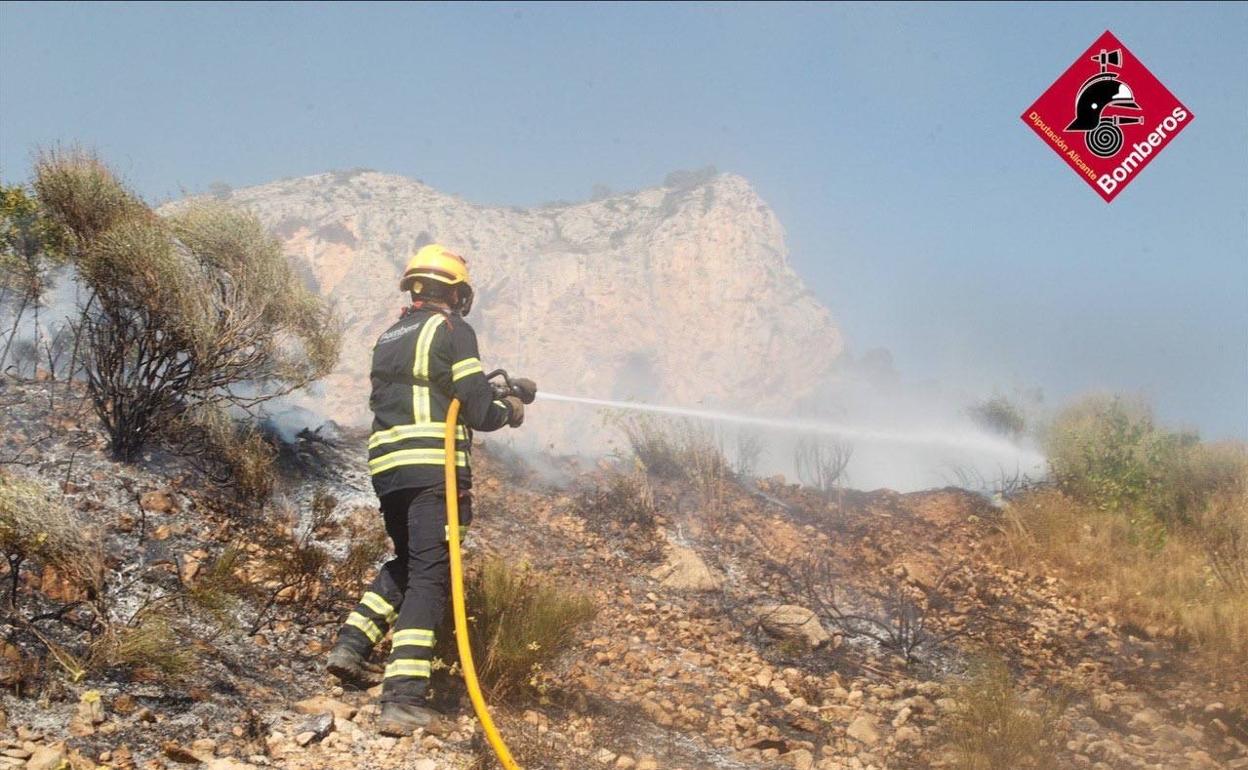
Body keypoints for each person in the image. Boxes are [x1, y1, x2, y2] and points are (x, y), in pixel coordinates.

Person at [326, 243, 531, 736]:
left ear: (414, 287)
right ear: (457, 294)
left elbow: (437, 388)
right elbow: (479, 413)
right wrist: (510, 409)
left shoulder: (390, 335)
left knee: (411, 562)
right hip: (432, 471)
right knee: (431, 578)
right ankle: (404, 698)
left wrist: (492, 387)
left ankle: (351, 647)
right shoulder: (453, 329)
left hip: (390, 470)